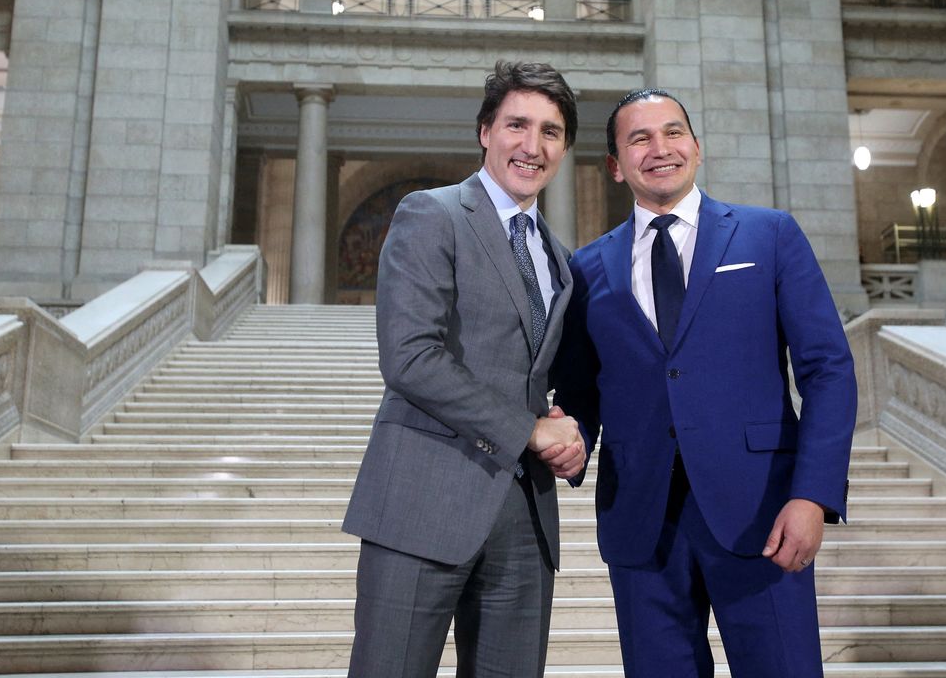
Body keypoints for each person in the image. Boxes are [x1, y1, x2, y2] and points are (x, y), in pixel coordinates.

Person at [553, 88, 857, 677]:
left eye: (672, 133)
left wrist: (813, 494)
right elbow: (581, 393)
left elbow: (828, 369)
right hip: (642, 527)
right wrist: (572, 439)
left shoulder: (768, 236)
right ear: (615, 165)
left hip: (763, 514)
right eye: (638, 138)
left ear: (697, 147)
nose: (659, 148)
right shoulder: (586, 268)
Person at [343, 61, 587, 678]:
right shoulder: (431, 214)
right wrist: (529, 430)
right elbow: (410, 358)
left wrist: (568, 433)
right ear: (485, 131)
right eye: (517, 125)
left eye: (551, 132)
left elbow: (536, 377)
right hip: (423, 500)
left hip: (524, 520)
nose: (533, 146)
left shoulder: (560, 259)